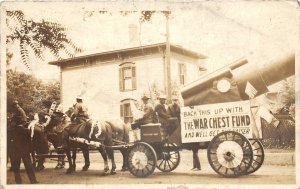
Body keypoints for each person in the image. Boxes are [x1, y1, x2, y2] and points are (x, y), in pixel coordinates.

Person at [8, 101, 38, 184]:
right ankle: (33, 180)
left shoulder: (11, 129)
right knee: (27, 165)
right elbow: (29, 137)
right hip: (23, 150)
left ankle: (19, 181)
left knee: (16, 166)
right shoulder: (24, 130)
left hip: (16, 150)